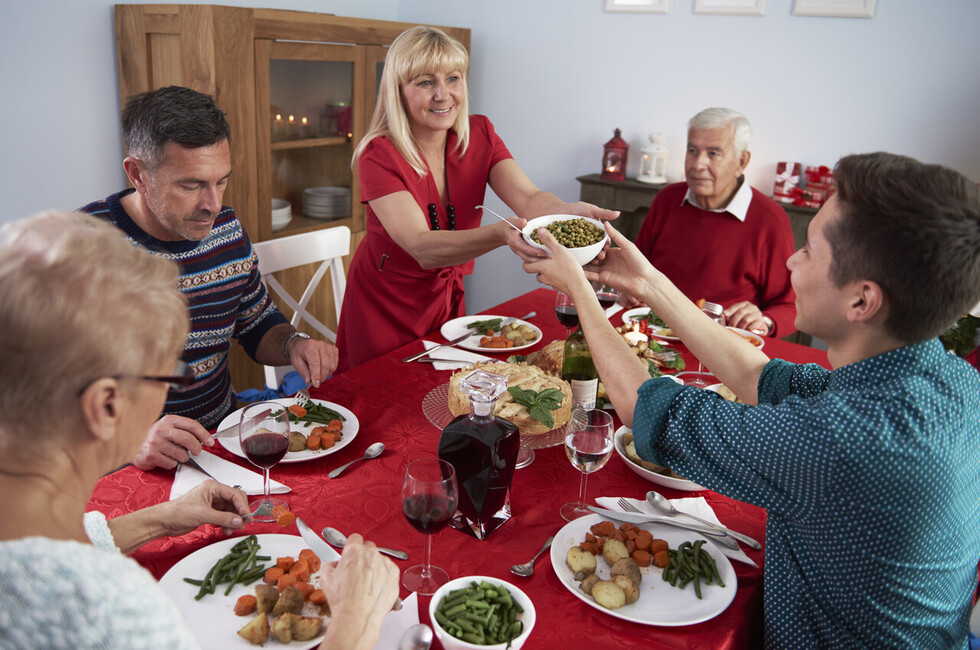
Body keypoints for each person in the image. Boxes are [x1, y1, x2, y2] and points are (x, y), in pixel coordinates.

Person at [525, 153, 980, 647]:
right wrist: (647, 282)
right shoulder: (948, 377)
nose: (791, 261)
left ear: (862, 301)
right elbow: (758, 374)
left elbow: (648, 410)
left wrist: (580, 289)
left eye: (808, 250)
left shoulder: (845, 439)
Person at [0, 211, 399, 650]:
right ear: (106, 405)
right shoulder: (111, 609)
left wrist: (159, 518)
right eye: (168, 374)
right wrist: (356, 621)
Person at [80, 85, 338, 471]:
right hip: (124, 466)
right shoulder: (78, 251)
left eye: (220, 181)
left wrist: (294, 344)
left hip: (220, 444)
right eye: (190, 185)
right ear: (137, 174)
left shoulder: (227, 230)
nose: (212, 204)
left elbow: (256, 325)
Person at [335, 25, 617, 371]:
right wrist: (501, 234)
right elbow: (421, 247)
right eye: (425, 82)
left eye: (453, 78)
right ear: (398, 92)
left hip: (444, 300)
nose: (443, 94)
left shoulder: (480, 133)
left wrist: (565, 214)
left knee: (441, 392)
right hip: (382, 306)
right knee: (379, 400)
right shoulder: (378, 155)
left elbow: (528, 197)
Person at [633, 107, 797, 337]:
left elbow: (790, 306)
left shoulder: (770, 220)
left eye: (713, 153)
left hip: (723, 345)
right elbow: (637, 268)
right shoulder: (667, 199)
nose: (698, 164)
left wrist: (765, 321)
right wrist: (629, 288)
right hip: (654, 333)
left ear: (741, 161)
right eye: (692, 150)